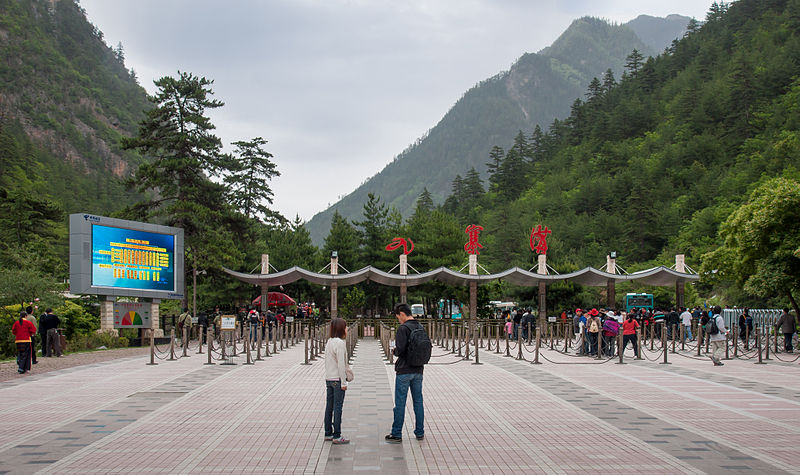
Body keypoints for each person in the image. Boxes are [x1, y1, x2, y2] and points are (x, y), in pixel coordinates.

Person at [386, 303, 426, 443]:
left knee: (400, 402)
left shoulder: (403, 328)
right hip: (418, 369)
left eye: (398, 317)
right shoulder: (420, 326)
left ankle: (396, 433)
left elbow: (400, 350)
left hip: (404, 370)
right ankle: (420, 431)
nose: (398, 320)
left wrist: (394, 351)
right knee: (418, 401)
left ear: (402, 314)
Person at [324, 317, 352, 445]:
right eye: (345, 327)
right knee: (338, 406)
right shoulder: (340, 343)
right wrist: (344, 383)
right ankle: (337, 435)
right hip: (337, 379)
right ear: (341, 328)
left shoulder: (329, 341)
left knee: (329, 406)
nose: (347, 329)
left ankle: (328, 433)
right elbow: (341, 364)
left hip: (329, 378)